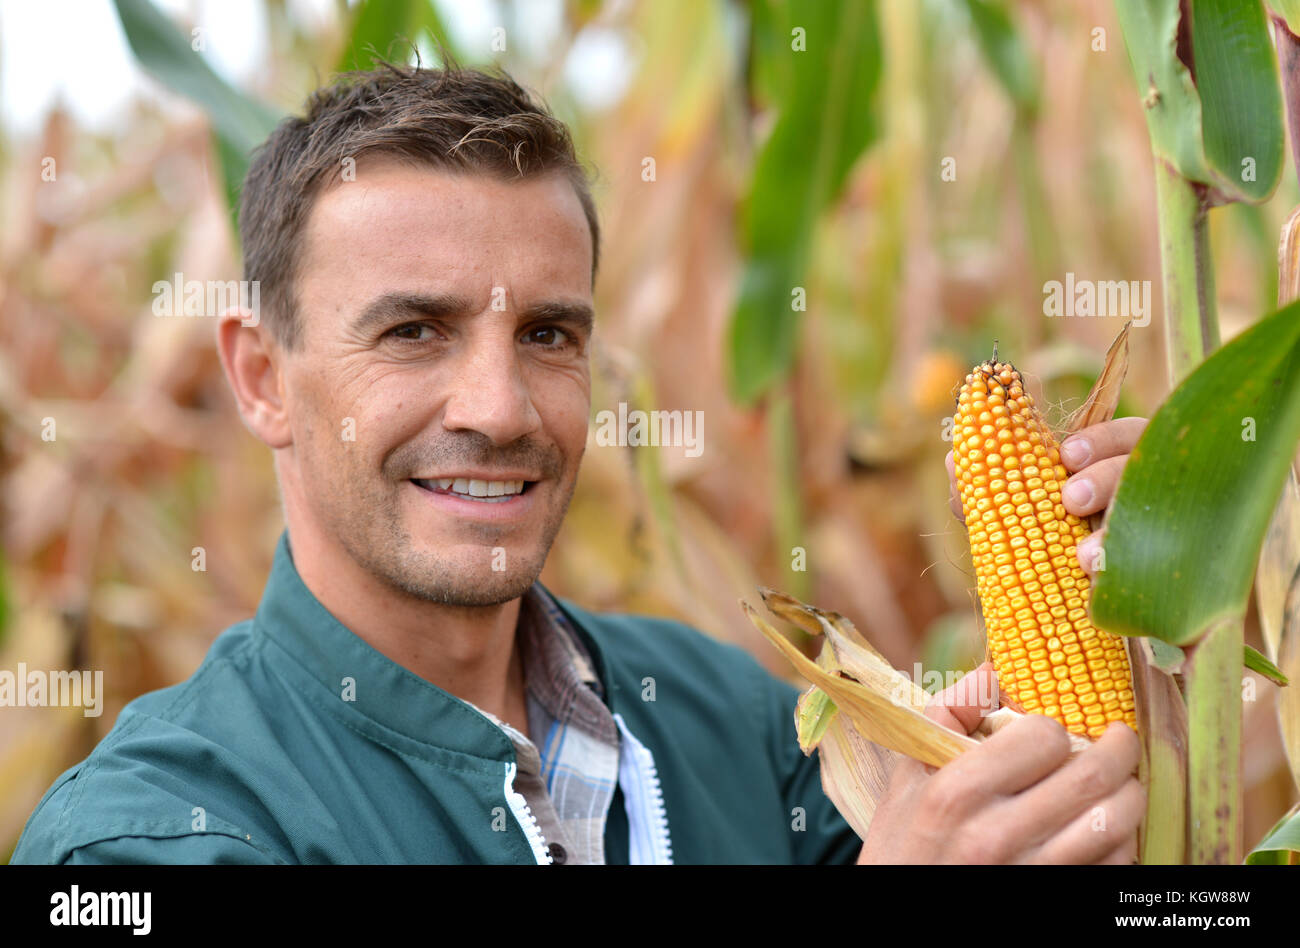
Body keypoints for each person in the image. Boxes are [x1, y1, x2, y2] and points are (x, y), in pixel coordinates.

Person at [11, 58, 1143, 865]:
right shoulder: (161, 830)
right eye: (414, 331)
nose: (500, 408)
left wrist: (1165, 611)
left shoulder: (727, 720)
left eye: (548, 333)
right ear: (261, 377)